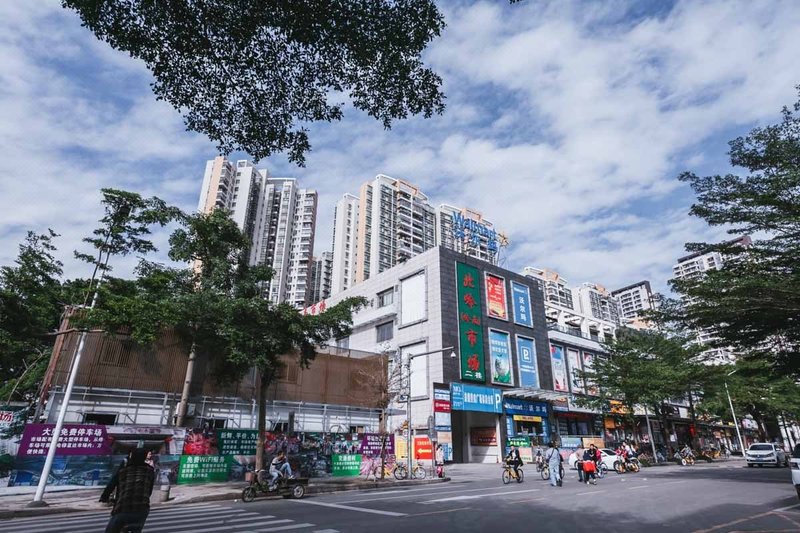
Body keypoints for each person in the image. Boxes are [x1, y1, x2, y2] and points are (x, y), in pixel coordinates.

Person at [104, 448, 155, 533]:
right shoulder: (150, 471)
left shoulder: (123, 470)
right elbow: (149, 491)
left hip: (123, 508)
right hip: (142, 509)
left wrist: (104, 497)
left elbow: (111, 485)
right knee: (137, 528)